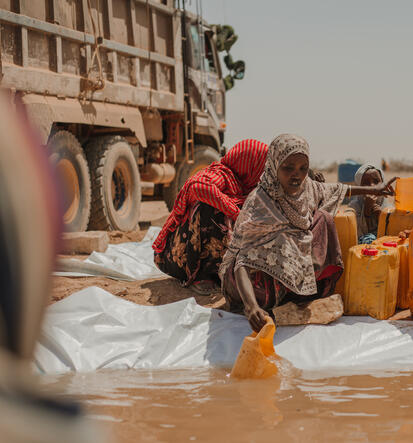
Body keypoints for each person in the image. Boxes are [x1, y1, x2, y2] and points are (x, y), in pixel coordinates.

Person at [219, 134, 397, 331]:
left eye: (303, 169)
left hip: (287, 273)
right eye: (288, 168)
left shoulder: (307, 188)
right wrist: (251, 307)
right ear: (274, 165)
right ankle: (271, 300)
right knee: (264, 283)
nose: (297, 175)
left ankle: (300, 292)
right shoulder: (260, 202)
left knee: (324, 219)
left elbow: (338, 189)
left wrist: (375, 190)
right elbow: (242, 261)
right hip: (251, 280)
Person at [153, 139, 269, 294]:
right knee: (210, 206)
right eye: (262, 167)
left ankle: (222, 273)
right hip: (177, 258)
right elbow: (198, 187)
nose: (264, 174)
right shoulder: (221, 174)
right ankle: (202, 276)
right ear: (250, 165)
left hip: (202, 258)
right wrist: (236, 214)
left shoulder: (248, 188)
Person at [348, 164, 385, 244]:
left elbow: (392, 233)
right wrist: (366, 212)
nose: (372, 186)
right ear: (359, 187)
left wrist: (382, 217)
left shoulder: (388, 206)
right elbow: (355, 236)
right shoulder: (353, 208)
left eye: (376, 181)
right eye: (366, 183)